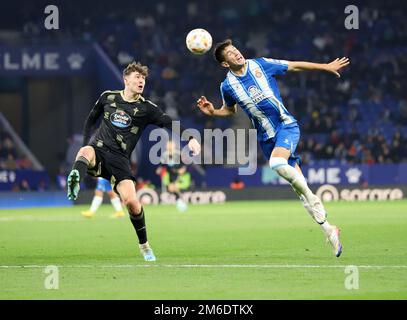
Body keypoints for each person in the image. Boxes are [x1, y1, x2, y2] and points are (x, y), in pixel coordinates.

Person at [197, 39, 349, 257]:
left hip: (285, 125)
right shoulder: (227, 86)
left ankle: (314, 198)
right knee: (300, 192)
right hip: (266, 138)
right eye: (230, 54)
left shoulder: (260, 64)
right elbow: (229, 111)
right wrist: (212, 112)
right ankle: (330, 230)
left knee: (277, 164)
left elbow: (293, 65)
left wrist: (325, 67)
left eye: (235, 49)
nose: (236, 53)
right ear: (224, 64)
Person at [66, 61, 201, 261]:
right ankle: (75, 175)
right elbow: (90, 120)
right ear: (126, 80)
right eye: (137, 77)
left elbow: (169, 122)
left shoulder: (147, 108)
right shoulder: (108, 97)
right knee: (86, 150)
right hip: (99, 150)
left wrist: (190, 138)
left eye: (143, 78)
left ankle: (144, 246)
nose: (141, 81)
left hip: (120, 160)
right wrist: (85, 142)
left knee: (132, 202)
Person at [156, 140, 190, 212]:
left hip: (180, 175)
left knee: (174, 187)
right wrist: (159, 169)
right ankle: (180, 201)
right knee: (172, 188)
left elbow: (184, 166)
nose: (169, 147)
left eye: (171, 145)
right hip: (170, 175)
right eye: (168, 145)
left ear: (174, 146)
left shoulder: (179, 154)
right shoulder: (164, 155)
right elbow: (162, 166)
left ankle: (181, 202)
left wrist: (181, 170)